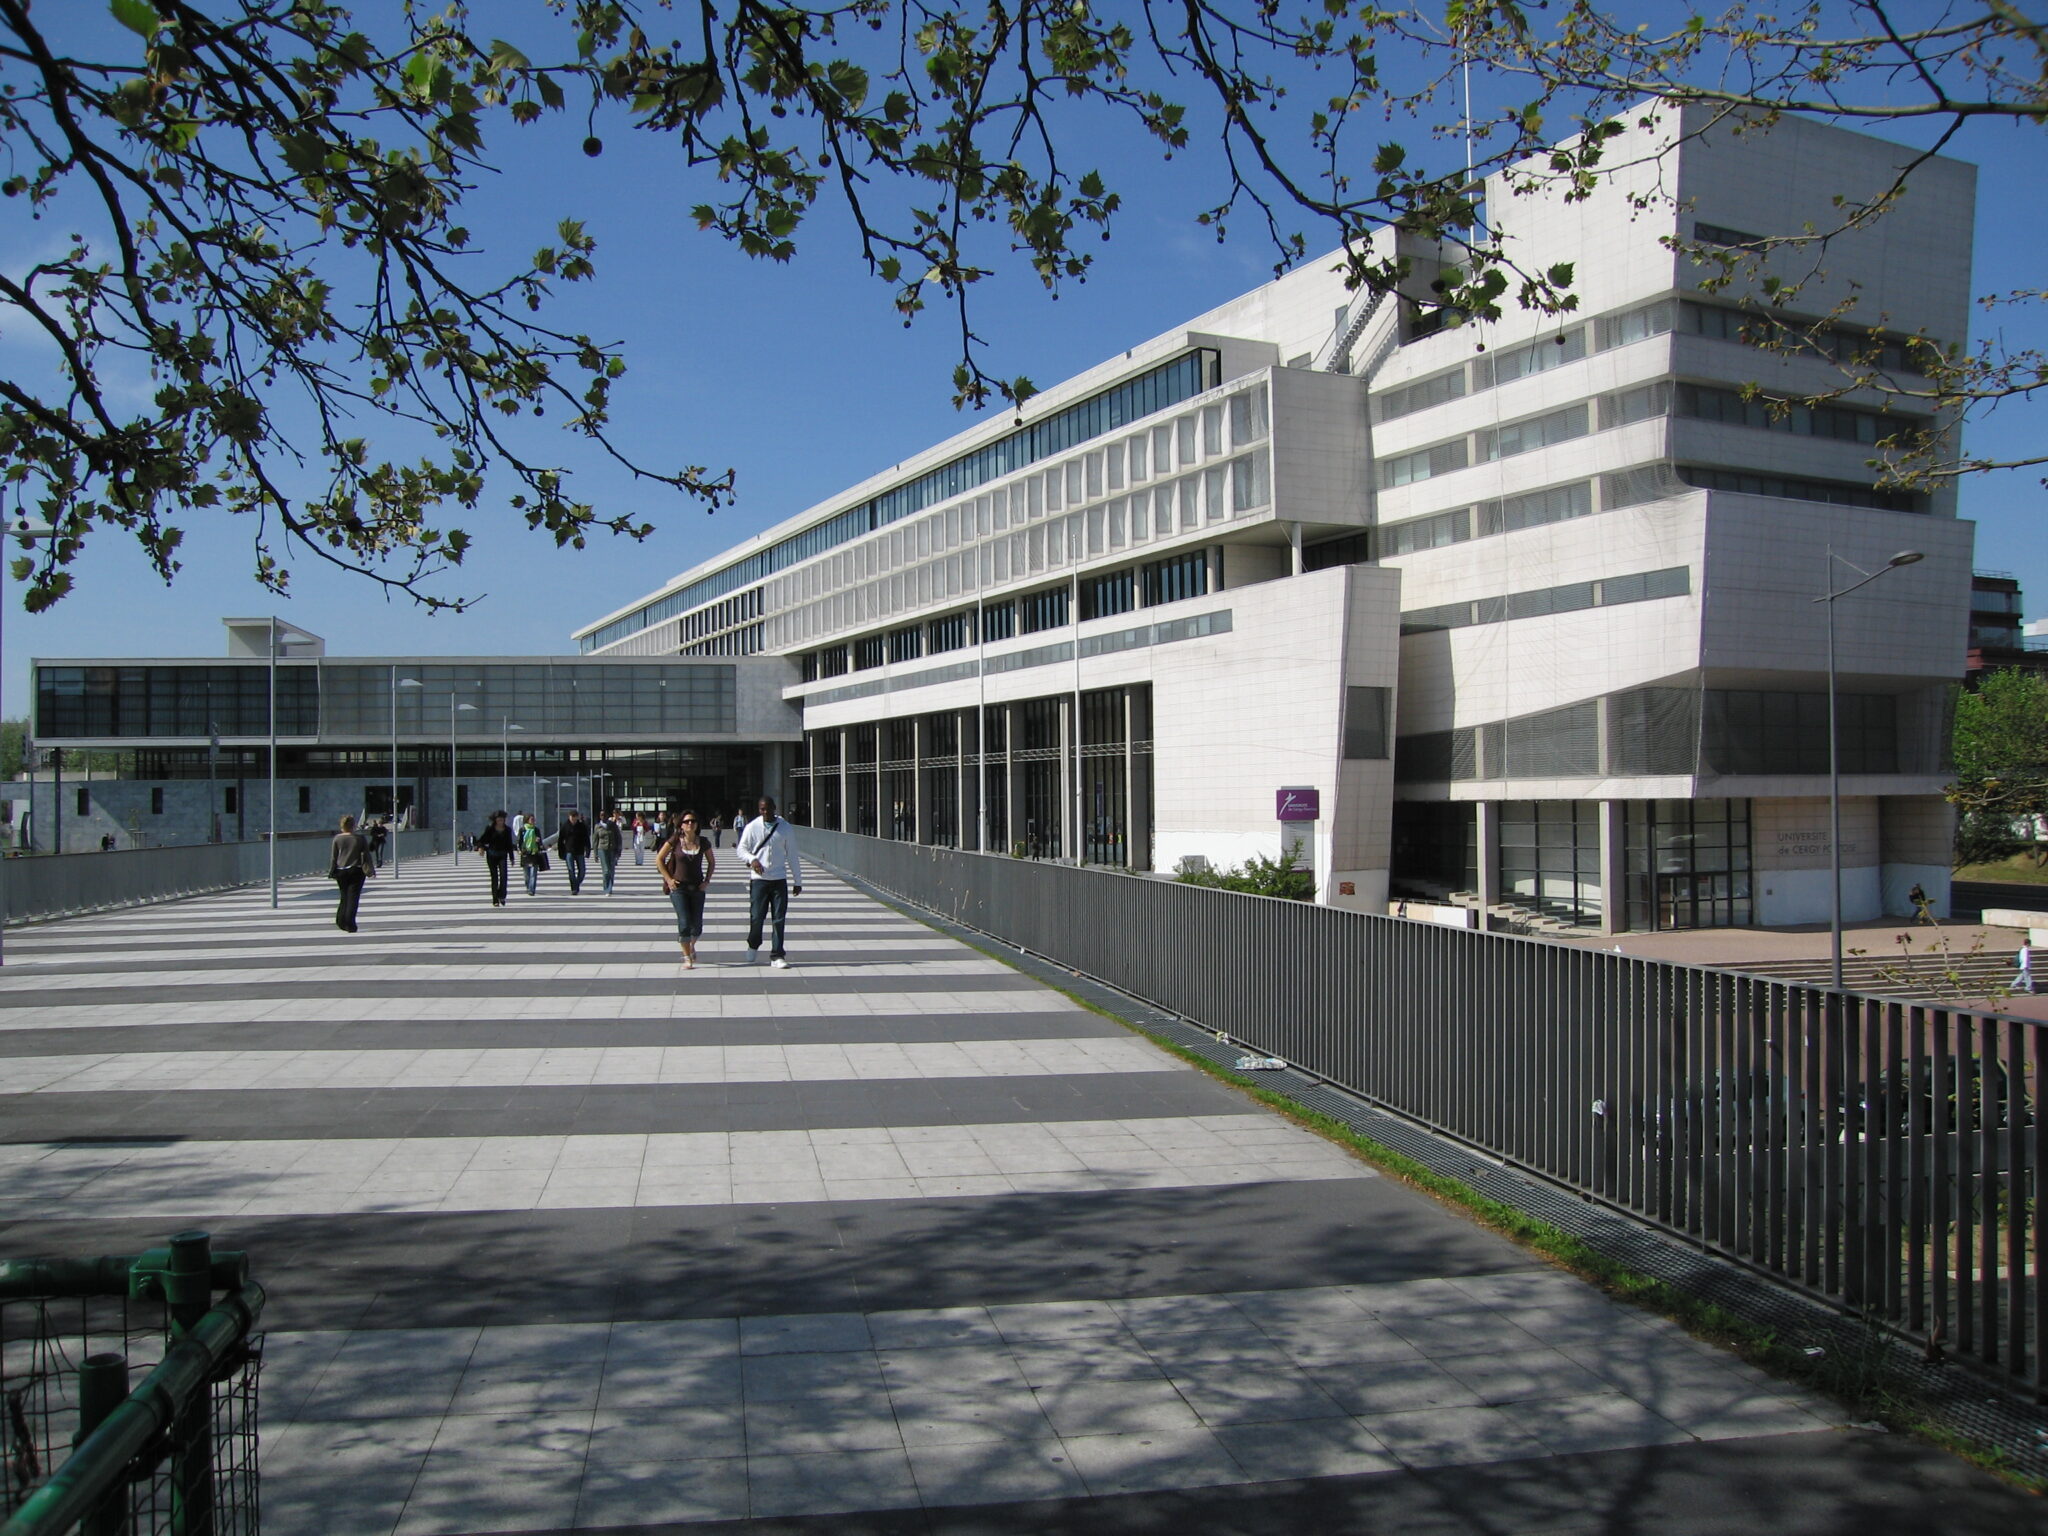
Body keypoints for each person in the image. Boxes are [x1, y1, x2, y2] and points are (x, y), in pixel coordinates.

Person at [737, 794, 803, 968]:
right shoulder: (752, 827)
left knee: (778, 918)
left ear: (774, 808)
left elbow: (792, 855)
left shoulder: (785, 828)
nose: (765, 812)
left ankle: (777, 955)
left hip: (779, 879)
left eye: (767, 808)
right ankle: (753, 943)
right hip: (759, 880)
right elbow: (741, 849)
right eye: (762, 809)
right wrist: (752, 859)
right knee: (757, 916)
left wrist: (798, 880)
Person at [657, 810, 717, 968]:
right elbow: (659, 859)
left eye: (693, 821)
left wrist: (707, 880)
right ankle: (686, 957)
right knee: (684, 923)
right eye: (686, 821)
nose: (690, 824)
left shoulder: (703, 842)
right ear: (681, 825)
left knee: (697, 925)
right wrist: (669, 880)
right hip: (679, 888)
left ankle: (691, 946)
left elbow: (711, 862)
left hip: (697, 887)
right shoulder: (675, 840)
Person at [328, 813, 374, 933]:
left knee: (344, 896)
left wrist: (332, 870)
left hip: (341, 871)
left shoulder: (337, 838)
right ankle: (350, 923)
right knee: (353, 897)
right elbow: (367, 856)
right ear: (353, 826)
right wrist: (371, 871)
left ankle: (341, 920)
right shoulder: (359, 839)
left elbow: (334, 857)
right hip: (356, 870)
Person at [477, 810, 515, 907]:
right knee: (494, 877)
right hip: (492, 855)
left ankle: (502, 895)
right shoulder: (490, 829)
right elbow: (482, 840)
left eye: (502, 820)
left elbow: (509, 844)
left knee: (504, 876)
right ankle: (495, 899)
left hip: (503, 855)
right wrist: (481, 848)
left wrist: (512, 857)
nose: (501, 822)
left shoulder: (507, 830)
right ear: (495, 820)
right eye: (499, 820)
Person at [558, 808, 592, 895]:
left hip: (580, 851)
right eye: (571, 817)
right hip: (569, 851)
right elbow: (560, 840)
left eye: (575, 817)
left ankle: (576, 885)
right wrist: (561, 853)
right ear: (569, 817)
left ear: (577, 817)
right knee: (571, 871)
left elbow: (586, 839)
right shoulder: (565, 826)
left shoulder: (581, 826)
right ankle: (574, 888)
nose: (573, 819)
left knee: (582, 871)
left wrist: (588, 851)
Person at [593, 811, 622, 895]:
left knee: (611, 869)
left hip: (612, 849)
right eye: (601, 815)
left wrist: (619, 850)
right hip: (602, 849)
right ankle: (607, 889)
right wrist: (595, 854)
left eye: (604, 815)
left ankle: (610, 887)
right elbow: (595, 841)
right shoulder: (597, 827)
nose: (603, 816)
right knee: (606, 870)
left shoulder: (613, 825)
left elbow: (618, 838)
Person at [518, 813, 547, 896]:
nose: (534, 821)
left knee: (533, 873)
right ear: (527, 820)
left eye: (534, 819)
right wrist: (519, 850)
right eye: (532, 819)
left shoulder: (536, 830)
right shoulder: (522, 829)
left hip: (535, 852)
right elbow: (519, 841)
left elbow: (540, 841)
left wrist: (538, 842)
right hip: (525, 853)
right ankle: (528, 887)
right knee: (526, 874)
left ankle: (532, 889)